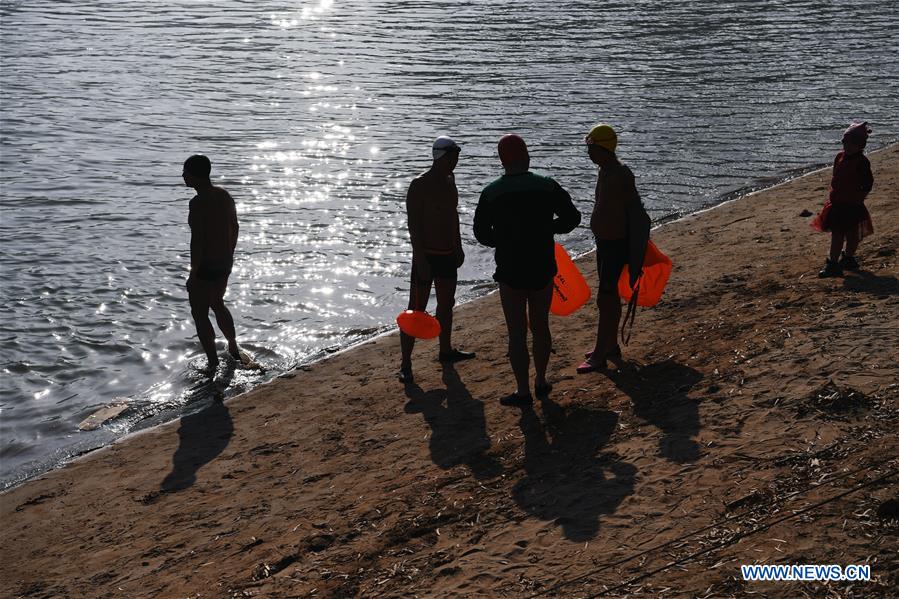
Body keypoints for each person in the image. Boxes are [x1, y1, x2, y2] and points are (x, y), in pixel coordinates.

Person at [474, 134, 581, 405]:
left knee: (516, 332)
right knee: (541, 326)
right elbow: (572, 218)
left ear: (501, 160)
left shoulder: (491, 192)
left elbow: (480, 232)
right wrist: (548, 229)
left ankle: (522, 391)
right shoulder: (546, 185)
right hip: (542, 265)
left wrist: (503, 240)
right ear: (527, 156)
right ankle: (541, 380)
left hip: (510, 269)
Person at [399, 136, 474, 383]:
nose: (457, 161)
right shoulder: (419, 184)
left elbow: (453, 216)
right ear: (442, 156)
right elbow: (413, 225)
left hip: (447, 254)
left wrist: (459, 246)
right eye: (454, 156)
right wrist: (419, 257)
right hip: (426, 256)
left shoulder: (450, 180)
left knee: (446, 304)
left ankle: (445, 350)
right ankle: (406, 363)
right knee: (416, 309)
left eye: (457, 156)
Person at [578, 124, 650, 374]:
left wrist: (637, 252)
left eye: (591, 148)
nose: (588, 153)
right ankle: (609, 346)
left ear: (604, 148)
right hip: (604, 243)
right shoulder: (604, 170)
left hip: (616, 245)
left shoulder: (620, 174)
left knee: (605, 298)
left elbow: (637, 213)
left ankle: (599, 354)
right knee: (608, 298)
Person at [183, 154, 240, 375]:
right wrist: (229, 254)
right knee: (217, 303)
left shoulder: (198, 202)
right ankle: (233, 345)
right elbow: (235, 227)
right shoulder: (224, 195)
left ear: (195, 175)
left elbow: (198, 241)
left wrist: (193, 273)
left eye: (186, 172)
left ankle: (213, 363)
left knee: (199, 313)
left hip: (205, 265)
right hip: (224, 261)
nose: (183, 176)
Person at [811, 122, 874, 277]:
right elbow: (836, 175)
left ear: (861, 146)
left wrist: (860, 197)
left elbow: (867, 183)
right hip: (837, 205)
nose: (848, 147)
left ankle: (847, 258)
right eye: (845, 143)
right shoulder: (839, 157)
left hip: (853, 205)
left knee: (853, 234)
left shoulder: (862, 162)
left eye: (853, 144)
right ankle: (833, 261)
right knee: (837, 234)